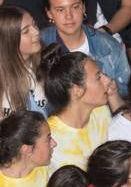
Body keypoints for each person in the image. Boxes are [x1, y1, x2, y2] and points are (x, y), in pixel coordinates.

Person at [40, 0, 131, 99]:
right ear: (49, 13)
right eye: (60, 9)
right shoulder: (39, 46)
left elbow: (126, 91)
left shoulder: (107, 46)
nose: (69, 16)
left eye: (75, 7)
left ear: (83, 7)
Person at [0, 7, 48, 139]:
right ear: (8, 40)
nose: (36, 32)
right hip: (0, 150)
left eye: (34, 24)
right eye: (26, 31)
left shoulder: (45, 62)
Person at [40, 44, 118, 172]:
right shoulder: (50, 137)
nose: (107, 80)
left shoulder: (101, 112)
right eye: (98, 77)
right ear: (77, 90)